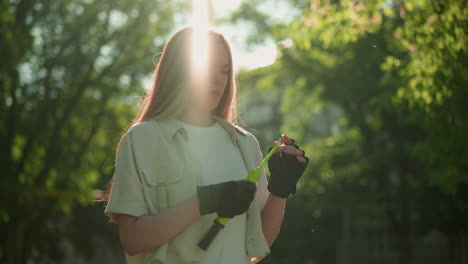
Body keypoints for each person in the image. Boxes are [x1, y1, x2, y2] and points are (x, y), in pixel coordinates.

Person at [101, 26, 309, 264]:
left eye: (224, 70)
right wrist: (205, 202)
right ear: (179, 70)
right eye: (207, 68)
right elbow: (133, 240)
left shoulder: (243, 143)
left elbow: (255, 246)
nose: (217, 80)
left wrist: (280, 191)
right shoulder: (143, 138)